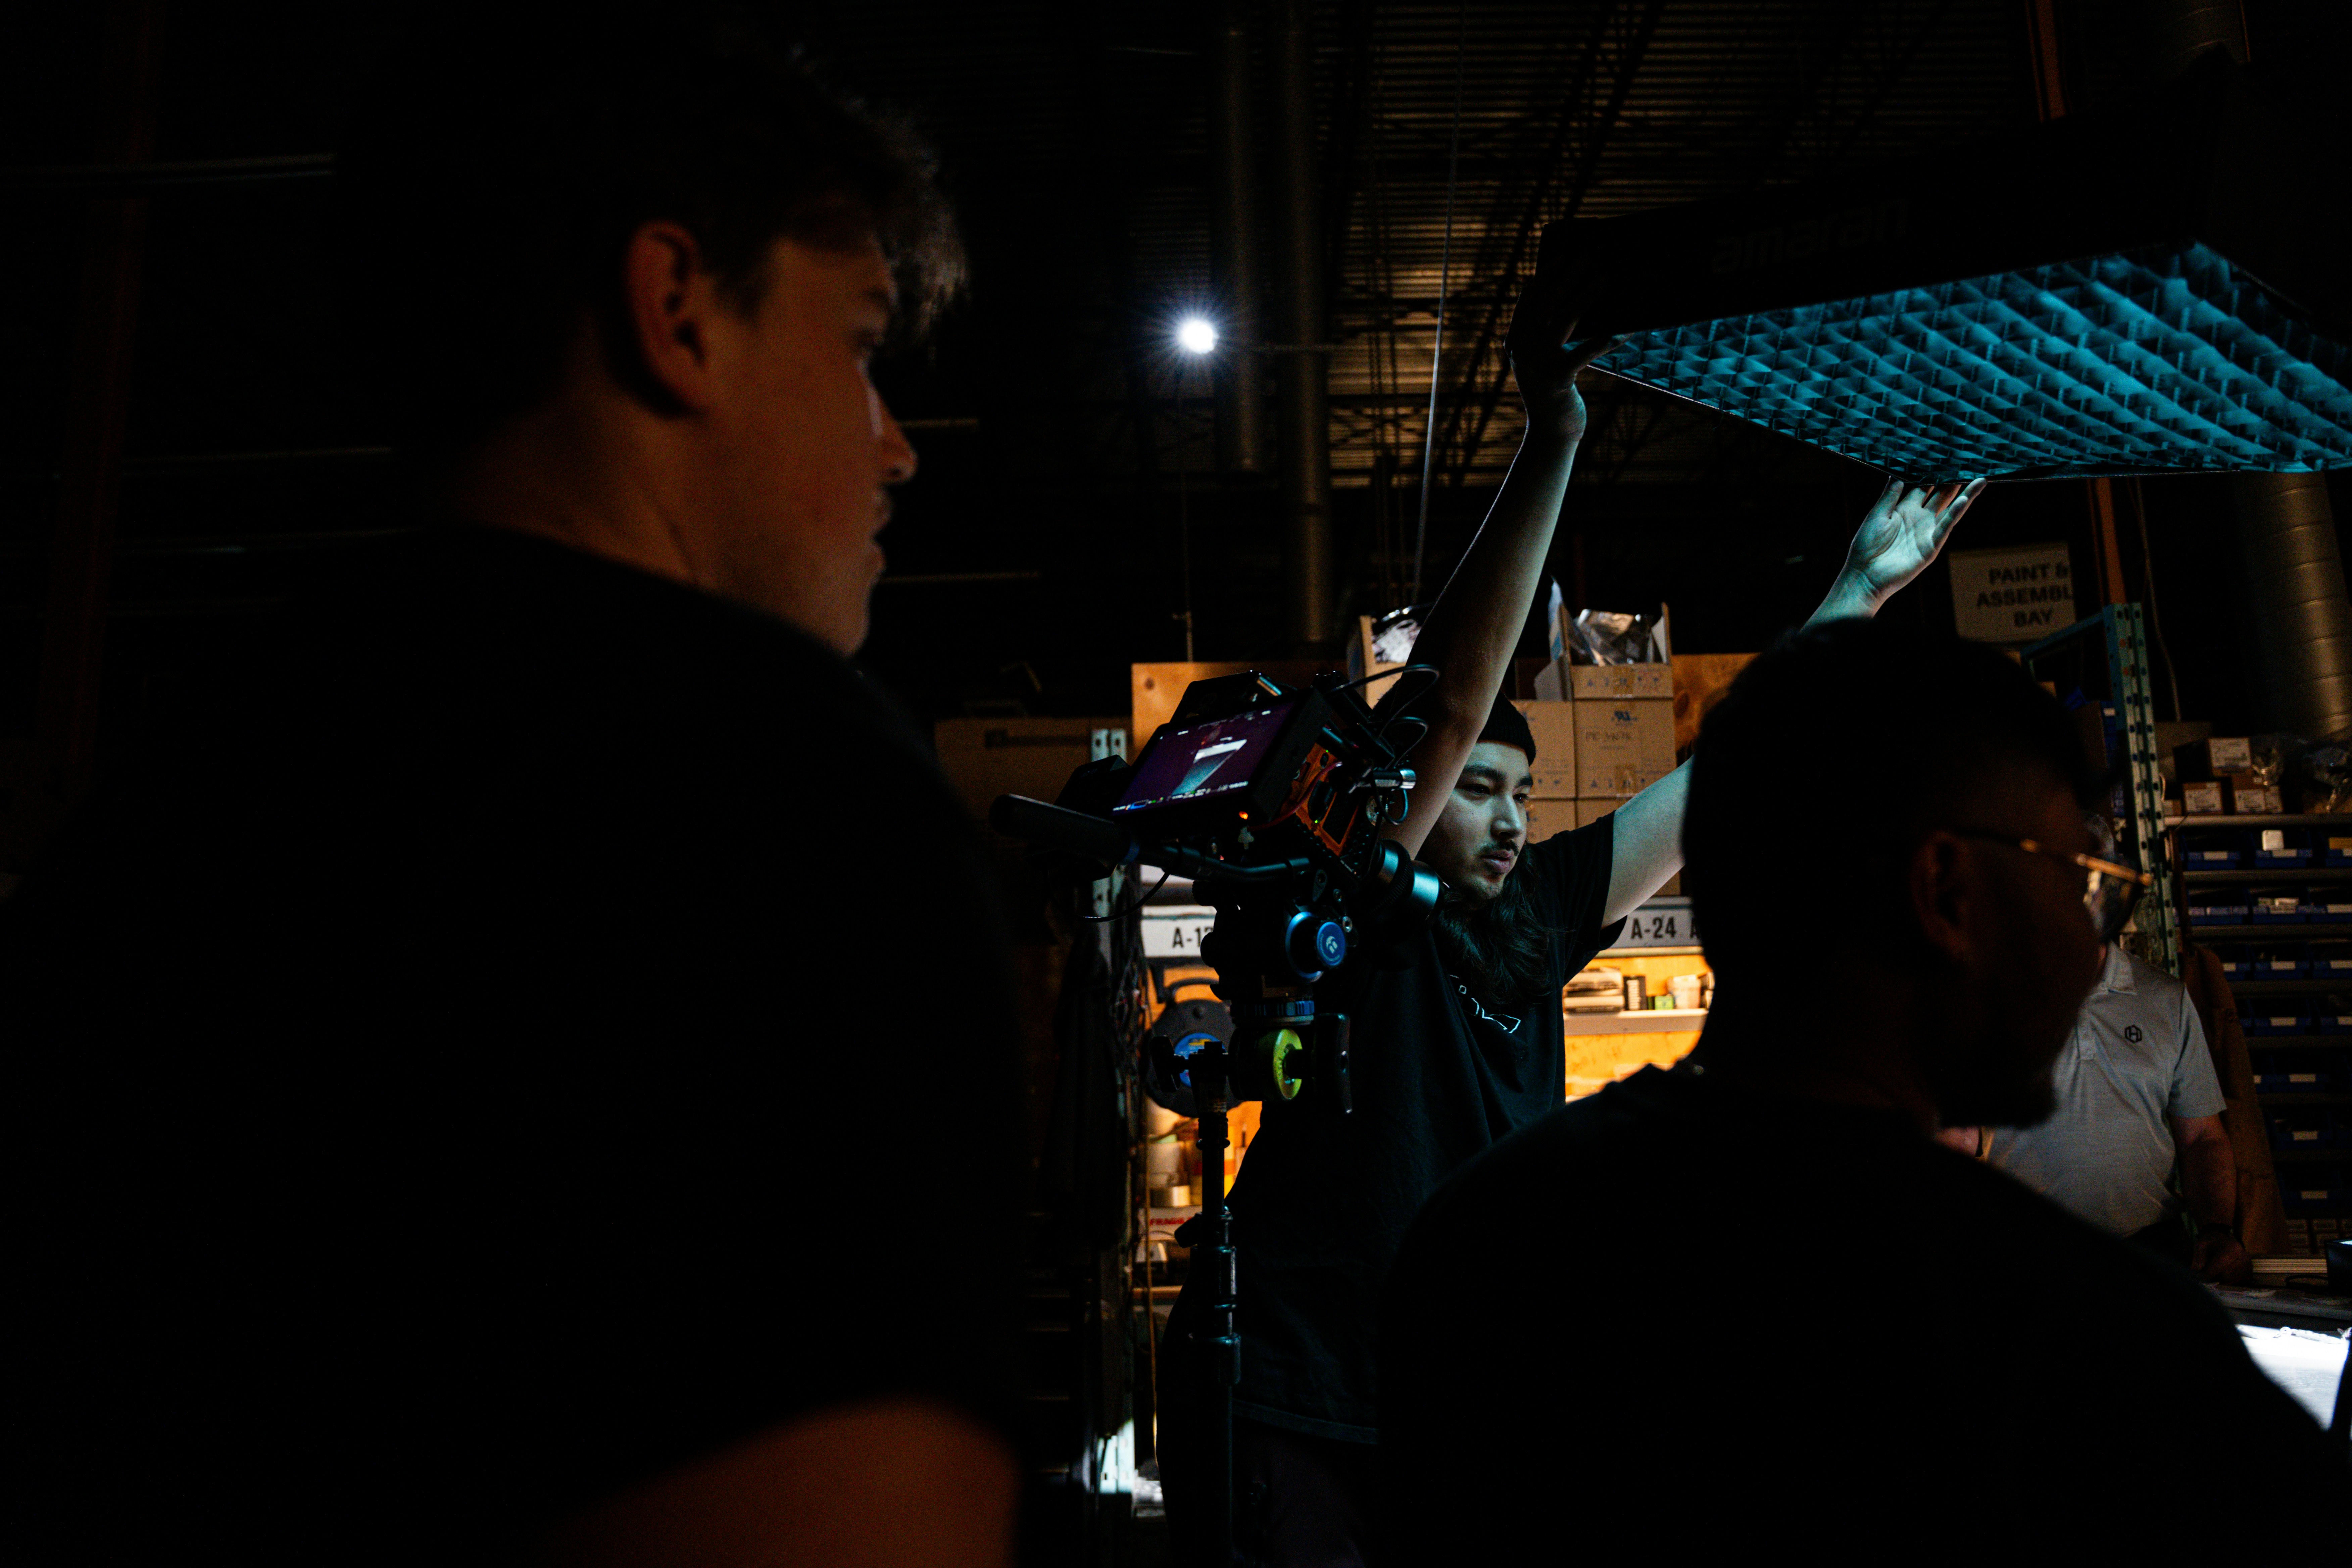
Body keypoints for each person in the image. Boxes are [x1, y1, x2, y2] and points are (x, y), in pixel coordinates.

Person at [2, 10, 1022, 1566]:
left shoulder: (156, 811)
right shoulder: (773, 785)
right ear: (676, 310)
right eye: (860, 346)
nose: (895, 451)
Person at [1157, 229, 1985, 1566]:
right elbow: (1454, 700)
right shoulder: (1370, 898)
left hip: (1468, 1392)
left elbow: (1733, 770)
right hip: (1307, 1397)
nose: (1491, 811)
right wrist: (1555, 434)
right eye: (1465, 788)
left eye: (1511, 794)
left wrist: (1858, 589)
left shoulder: (1538, 909)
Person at [1380, 622, 2348, 1559]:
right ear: (1946, 890)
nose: (2091, 943)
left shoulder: (1483, 1240)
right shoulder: (2098, 1350)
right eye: (2087, 885)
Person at [1957, 916, 2252, 1282]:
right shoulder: (1985, 998)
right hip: (2024, 1255)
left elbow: (2202, 1139)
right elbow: (1957, 1140)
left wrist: (2218, 1230)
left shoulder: (2166, 998)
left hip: (2151, 1253)